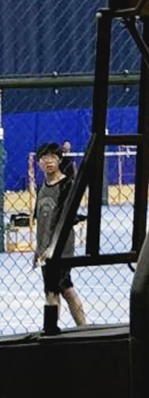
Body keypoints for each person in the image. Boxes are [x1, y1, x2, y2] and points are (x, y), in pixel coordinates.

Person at [33, 143, 86, 334]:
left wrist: (52, 247)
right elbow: (41, 221)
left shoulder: (66, 185)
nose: (48, 161)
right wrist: (39, 248)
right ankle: (80, 327)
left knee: (55, 289)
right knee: (62, 287)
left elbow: (65, 220)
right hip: (45, 247)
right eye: (44, 157)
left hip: (61, 247)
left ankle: (54, 328)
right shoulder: (41, 188)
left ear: (60, 160)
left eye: (53, 157)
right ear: (39, 162)